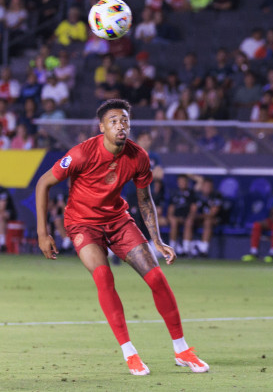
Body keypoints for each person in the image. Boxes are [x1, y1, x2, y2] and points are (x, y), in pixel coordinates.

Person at [34, 99, 208, 375]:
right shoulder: (81, 154)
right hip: (82, 224)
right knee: (104, 276)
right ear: (102, 126)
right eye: (114, 121)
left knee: (157, 278)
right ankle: (130, 353)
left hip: (118, 221)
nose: (120, 125)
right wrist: (43, 234)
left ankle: (182, 350)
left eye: (125, 120)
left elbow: (145, 200)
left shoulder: (138, 157)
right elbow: (43, 183)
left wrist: (158, 240)